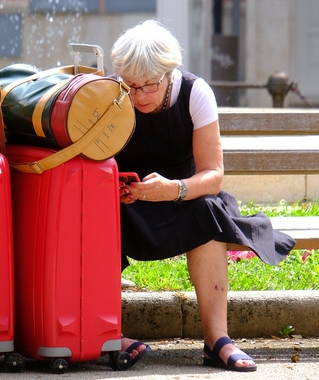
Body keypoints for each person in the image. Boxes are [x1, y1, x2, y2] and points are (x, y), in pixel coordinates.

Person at [110, 19, 295, 372]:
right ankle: (106, 334)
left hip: (183, 199)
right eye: (130, 86)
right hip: (128, 206)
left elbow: (213, 175)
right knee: (93, 213)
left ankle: (217, 339)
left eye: (148, 86)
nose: (139, 97)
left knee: (209, 211)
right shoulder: (114, 95)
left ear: (169, 72)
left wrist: (173, 190)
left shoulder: (195, 92)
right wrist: (117, 188)